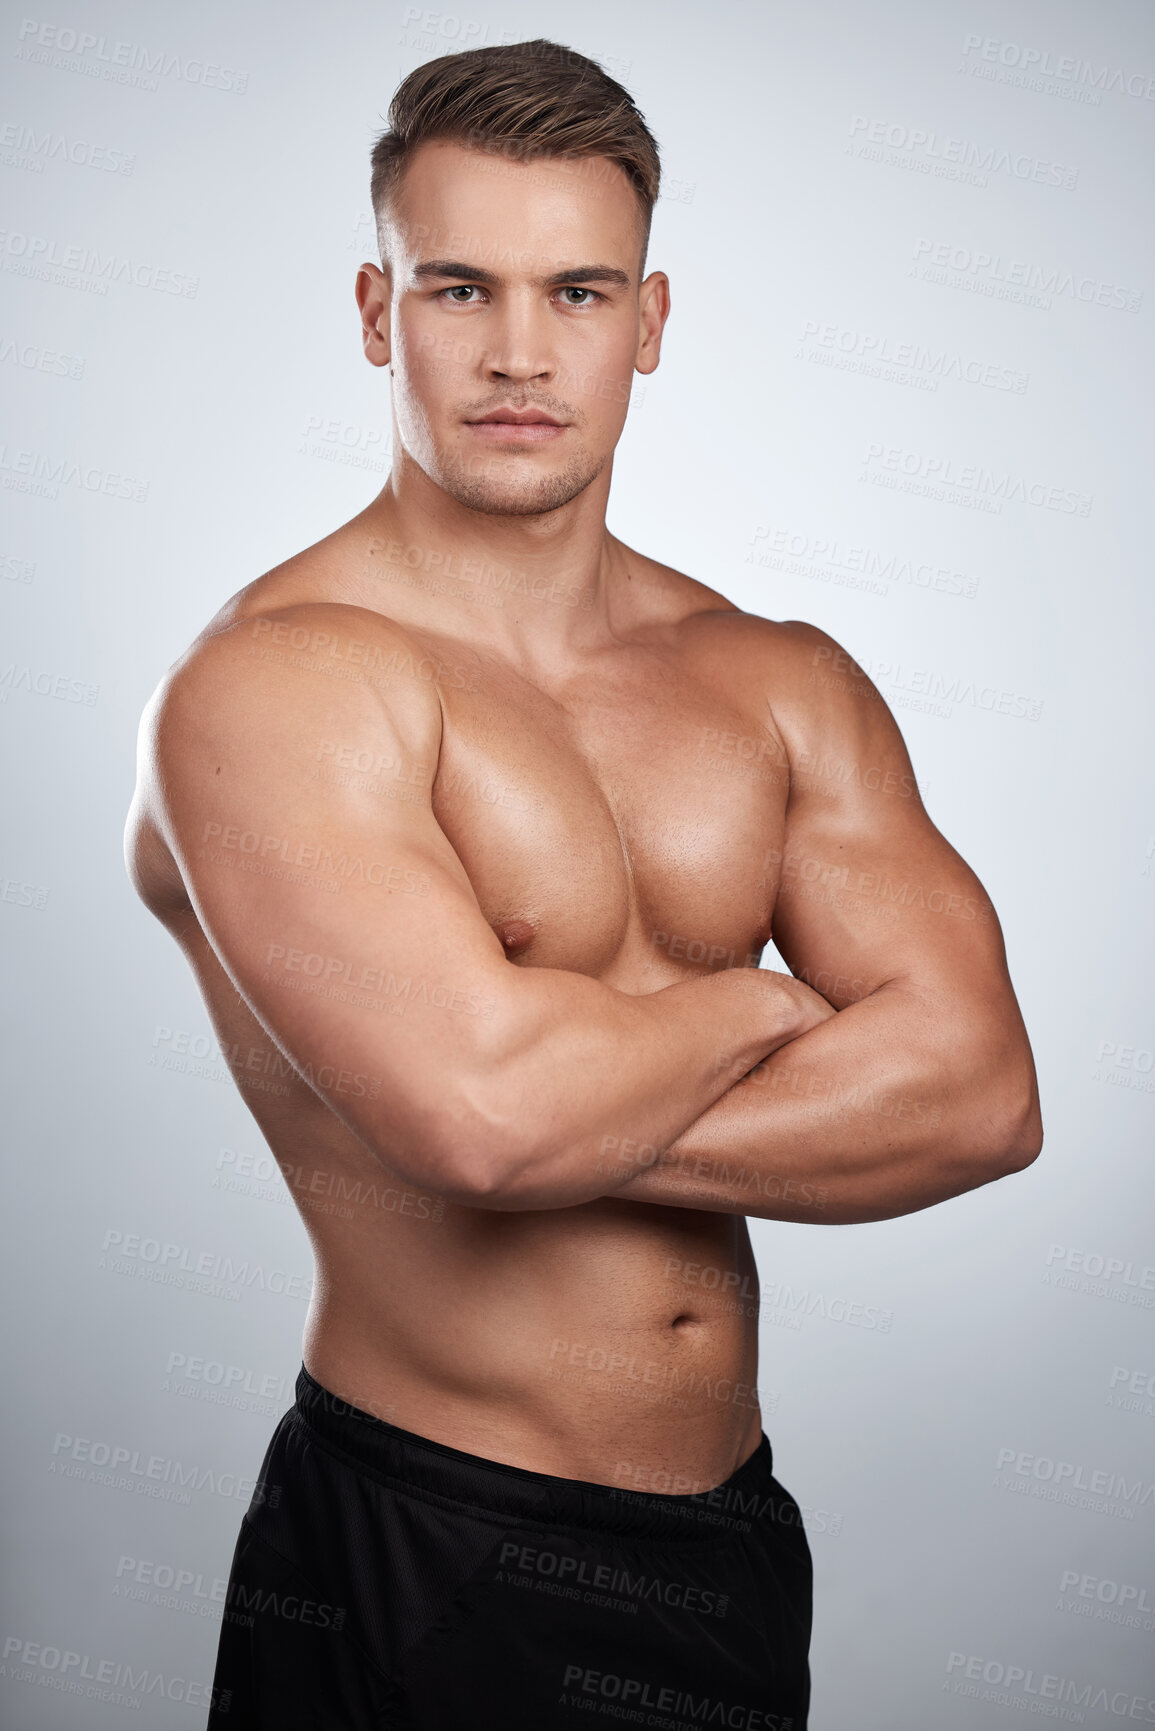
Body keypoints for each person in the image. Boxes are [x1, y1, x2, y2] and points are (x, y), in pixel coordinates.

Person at [125, 37, 1042, 1729]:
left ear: (655, 320)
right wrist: (763, 1005)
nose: (521, 353)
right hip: (423, 1539)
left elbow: (981, 1094)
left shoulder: (772, 676)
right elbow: (474, 1127)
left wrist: (557, 1099)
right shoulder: (277, 685)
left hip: (730, 1537)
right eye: (460, 287)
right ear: (375, 308)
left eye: (581, 292)